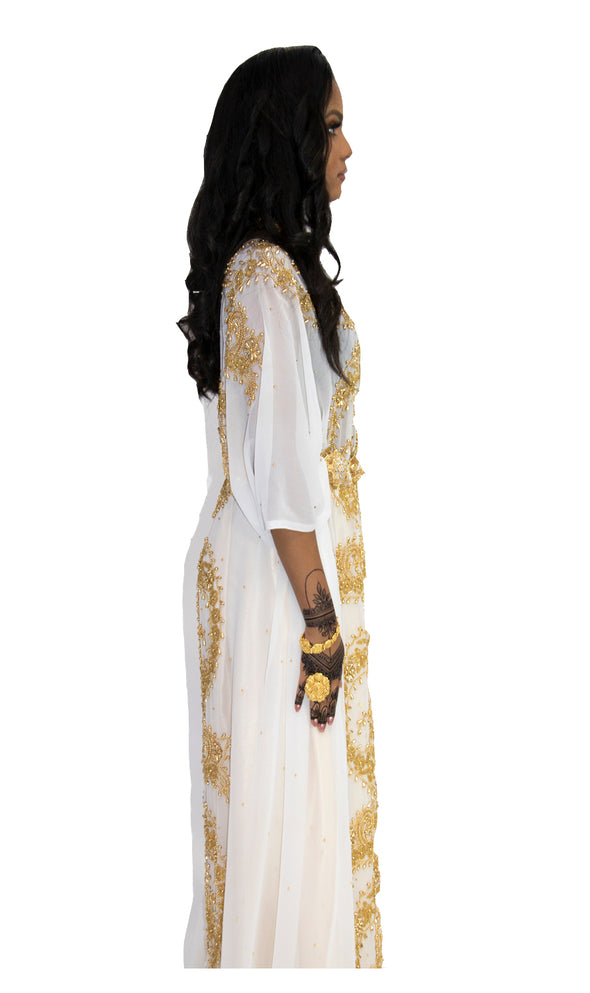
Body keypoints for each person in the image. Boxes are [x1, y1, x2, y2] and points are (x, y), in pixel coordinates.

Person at [177, 45, 382, 968]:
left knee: (287, 815)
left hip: (271, 570)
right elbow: (283, 474)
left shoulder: (268, 272)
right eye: (331, 126)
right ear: (289, 138)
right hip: (277, 585)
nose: (347, 148)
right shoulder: (263, 277)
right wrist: (320, 623)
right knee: (288, 818)